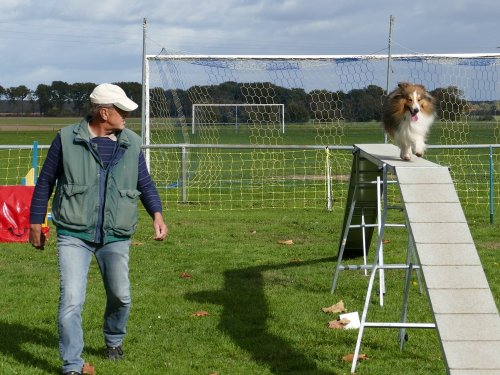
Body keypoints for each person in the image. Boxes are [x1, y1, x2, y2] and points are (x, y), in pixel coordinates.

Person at [29, 83, 168, 375]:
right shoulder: (67, 139)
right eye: (122, 110)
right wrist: (35, 222)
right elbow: (45, 182)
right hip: (73, 234)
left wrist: (157, 214)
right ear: (104, 112)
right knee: (71, 300)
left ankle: (114, 341)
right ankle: (72, 365)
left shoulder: (131, 142)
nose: (128, 115)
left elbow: (144, 183)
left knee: (121, 296)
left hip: (116, 235)